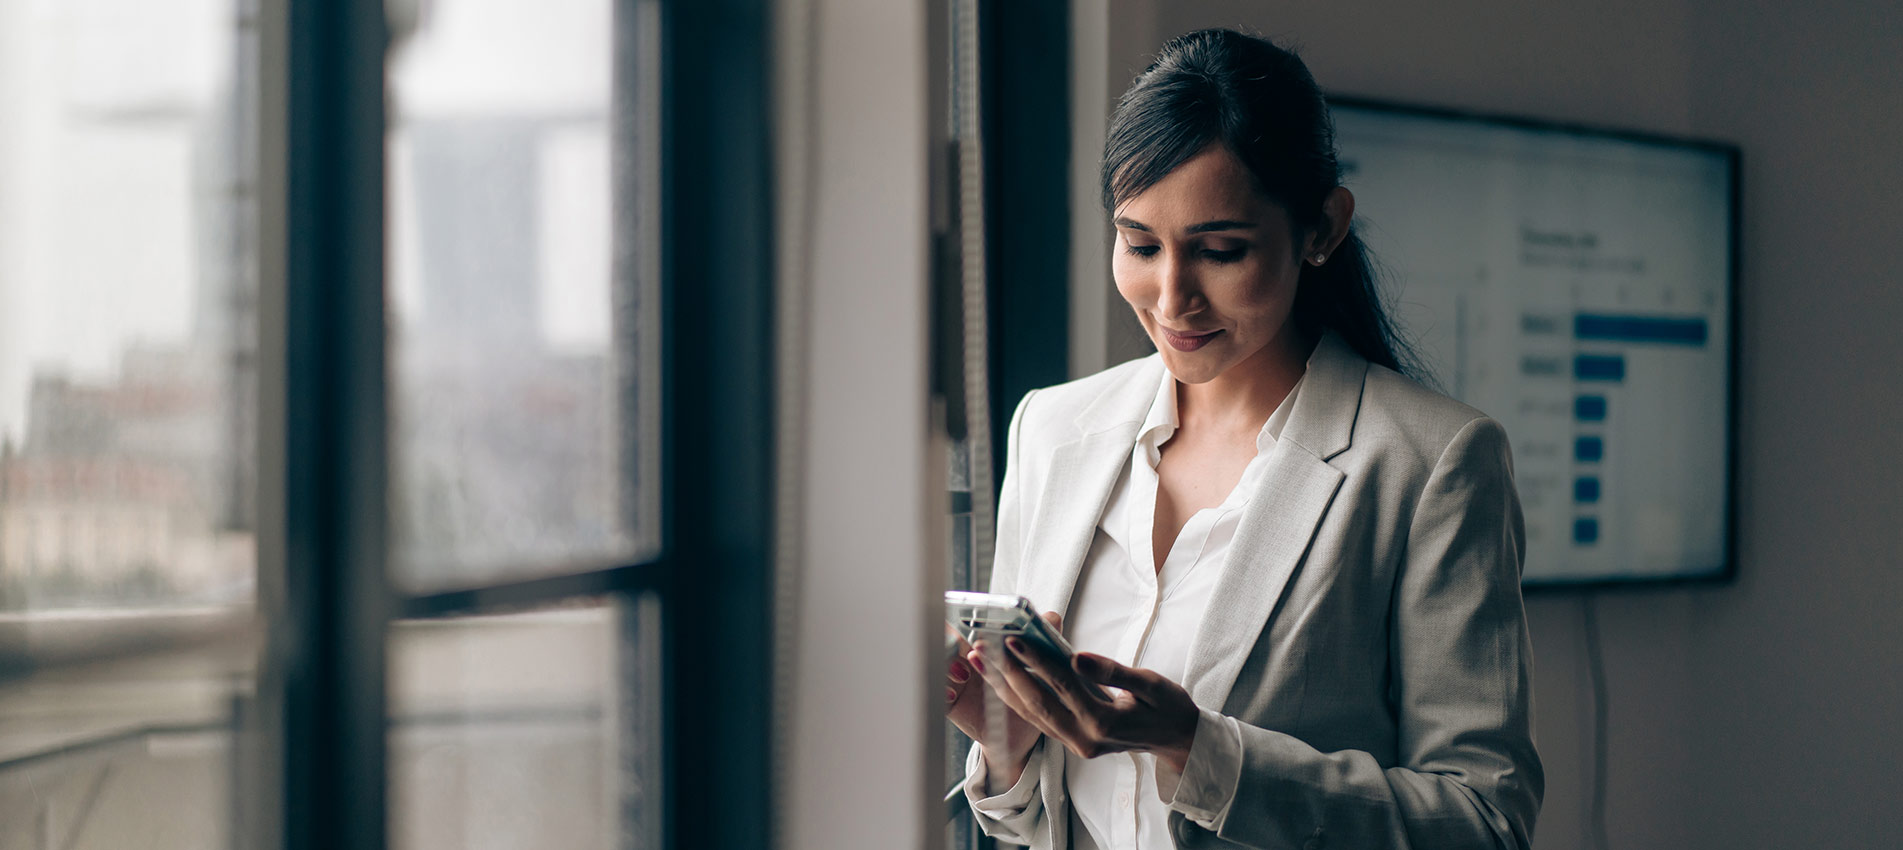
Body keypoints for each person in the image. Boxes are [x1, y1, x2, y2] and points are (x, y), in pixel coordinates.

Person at [942, 28, 1542, 850]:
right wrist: (1005, 748)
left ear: (1321, 228)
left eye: (1220, 251)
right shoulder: (1051, 429)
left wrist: (1197, 748)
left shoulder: (1430, 463)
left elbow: (1484, 823)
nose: (1170, 297)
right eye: (1139, 244)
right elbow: (1031, 825)